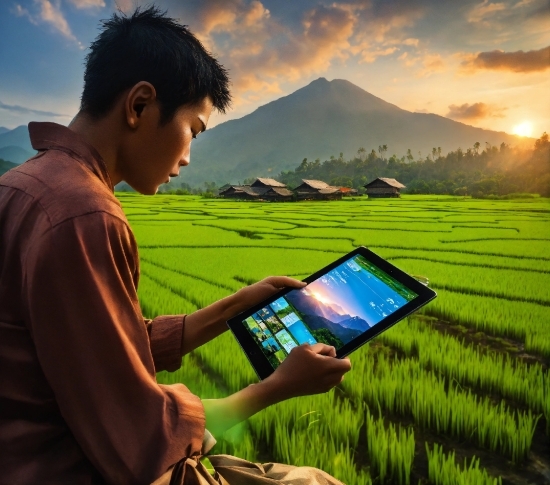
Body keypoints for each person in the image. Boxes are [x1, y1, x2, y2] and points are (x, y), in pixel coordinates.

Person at [0, 6, 351, 485]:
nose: (187, 158)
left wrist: (237, 306)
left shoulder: (23, 185)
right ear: (139, 105)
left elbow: (98, 341)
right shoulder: (85, 214)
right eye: (194, 130)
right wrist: (275, 388)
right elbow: (140, 438)